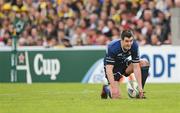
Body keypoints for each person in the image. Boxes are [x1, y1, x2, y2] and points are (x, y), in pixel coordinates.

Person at [101, 29, 150, 99]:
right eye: (127, 41)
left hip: (124, 63)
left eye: (131, 41)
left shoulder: (134, 46)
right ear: (121, 40)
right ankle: (106, 88)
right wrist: (113, 87)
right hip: (113, 67)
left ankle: (139, 93)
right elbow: (109, 69)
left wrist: (140, 88)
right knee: (116, 95)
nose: (129, 43)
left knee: (144, 63)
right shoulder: (112, 47)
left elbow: (136, 67)